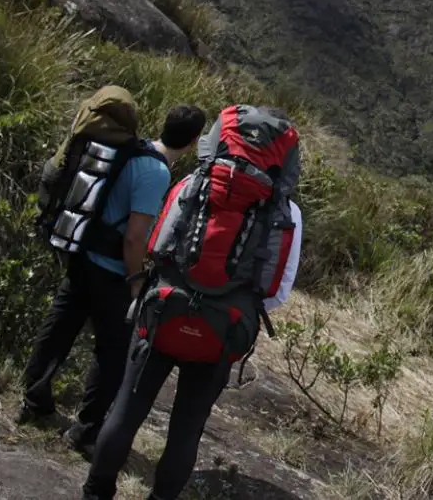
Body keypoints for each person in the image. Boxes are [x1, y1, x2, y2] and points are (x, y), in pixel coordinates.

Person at [81, 105, 304, 500]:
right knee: (186, 428)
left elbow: (156, 243)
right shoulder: (287, 214)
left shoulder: (193, 184)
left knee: (127, 411)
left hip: (164, 309)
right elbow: (275, 291)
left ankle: (96, 492)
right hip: (222, 332)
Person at [17, 104, 208, 457]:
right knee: (113, 354)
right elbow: (135, 238)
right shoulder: (155, 172)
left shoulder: (132, 150)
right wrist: (136, 281)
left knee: (59, 328)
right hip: (112, 272)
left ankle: (33, 399)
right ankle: (86, 431)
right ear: (195, 140)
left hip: (83, 254)